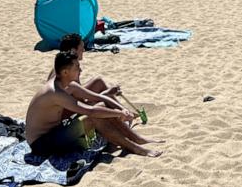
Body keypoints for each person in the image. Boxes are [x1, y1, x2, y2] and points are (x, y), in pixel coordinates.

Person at [25, 51, 162, 158]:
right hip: (41, 144)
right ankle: (135, 148)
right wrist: (119, 113)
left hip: (55, 132)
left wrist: (119, 109)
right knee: (93, 116)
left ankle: (137, 139)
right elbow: (90, 111)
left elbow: (96, 98)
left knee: (100, 107)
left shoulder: (65, 83)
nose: (81, 70)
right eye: (77, 67)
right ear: (66, 72)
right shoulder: (55, 92)